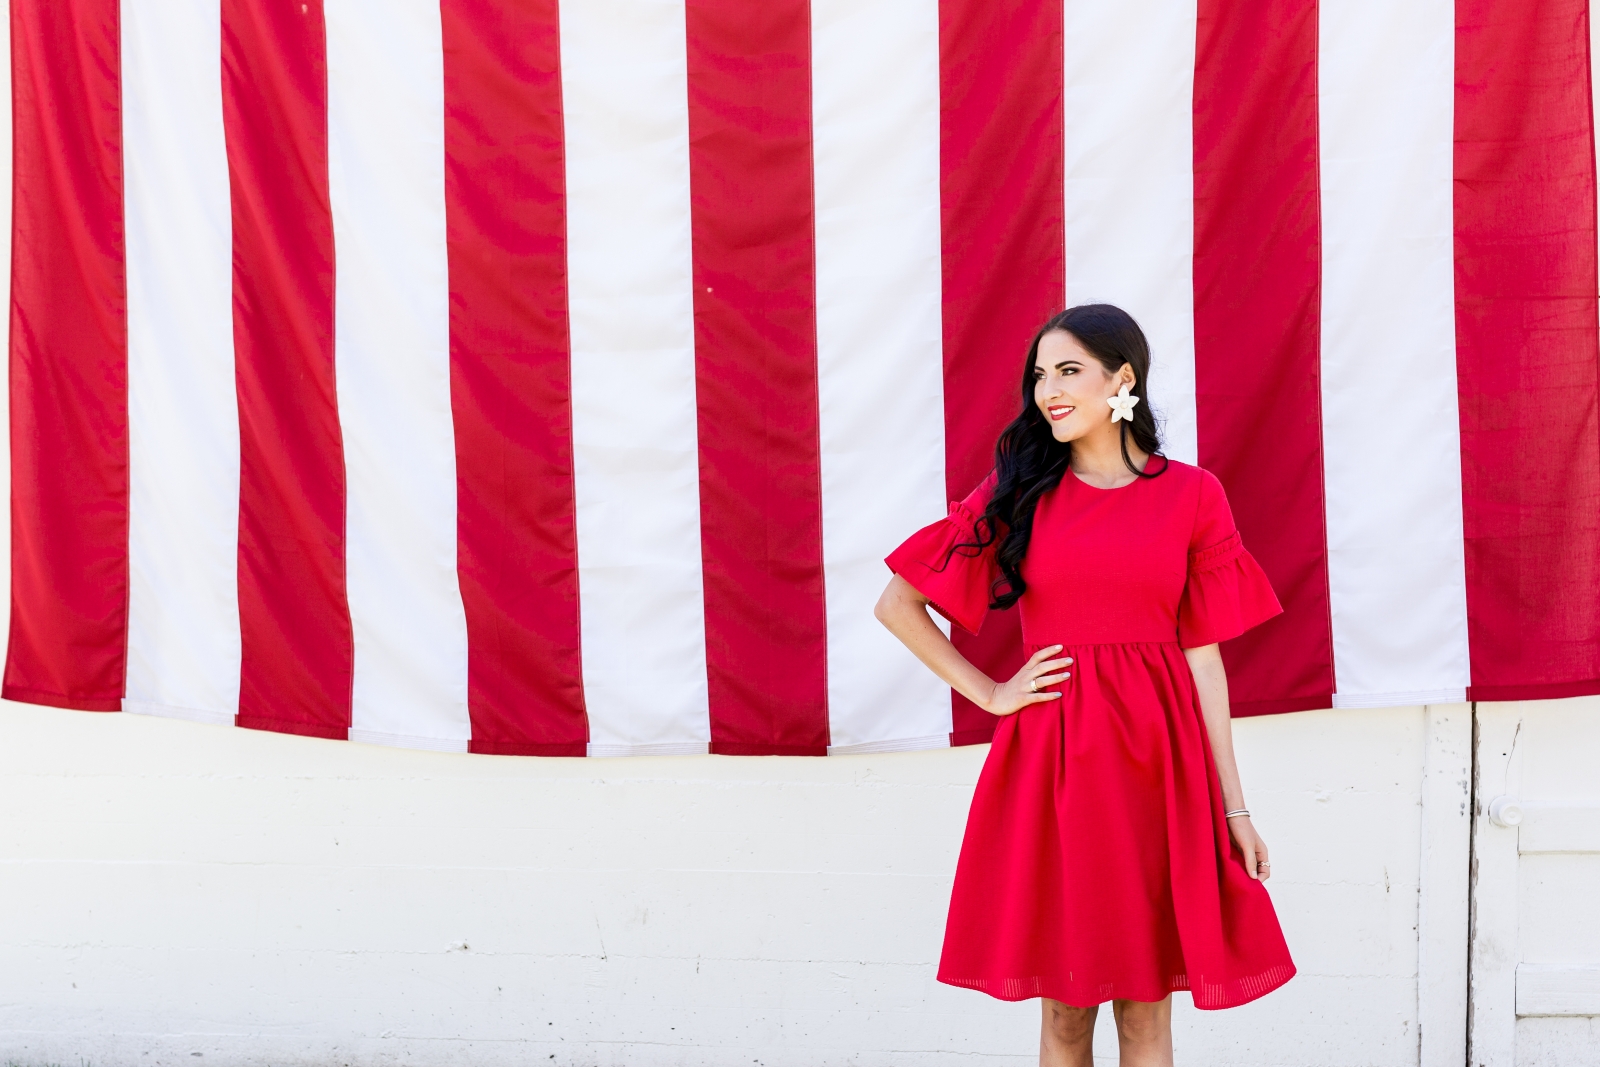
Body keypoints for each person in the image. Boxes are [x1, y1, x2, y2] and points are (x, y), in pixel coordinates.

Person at [874, 305, 1295, 1067]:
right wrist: (993, 693)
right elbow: (897, 603)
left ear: (1122, 378)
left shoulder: (1195, 495)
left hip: (1162, 772)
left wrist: (1234, 806)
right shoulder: (1021, 492)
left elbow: (1204, 661)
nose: (1047, 390)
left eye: (1068, 370)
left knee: (1146, 1011)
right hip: (1058, 766)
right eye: (1040, 374)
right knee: (1067, 1009)